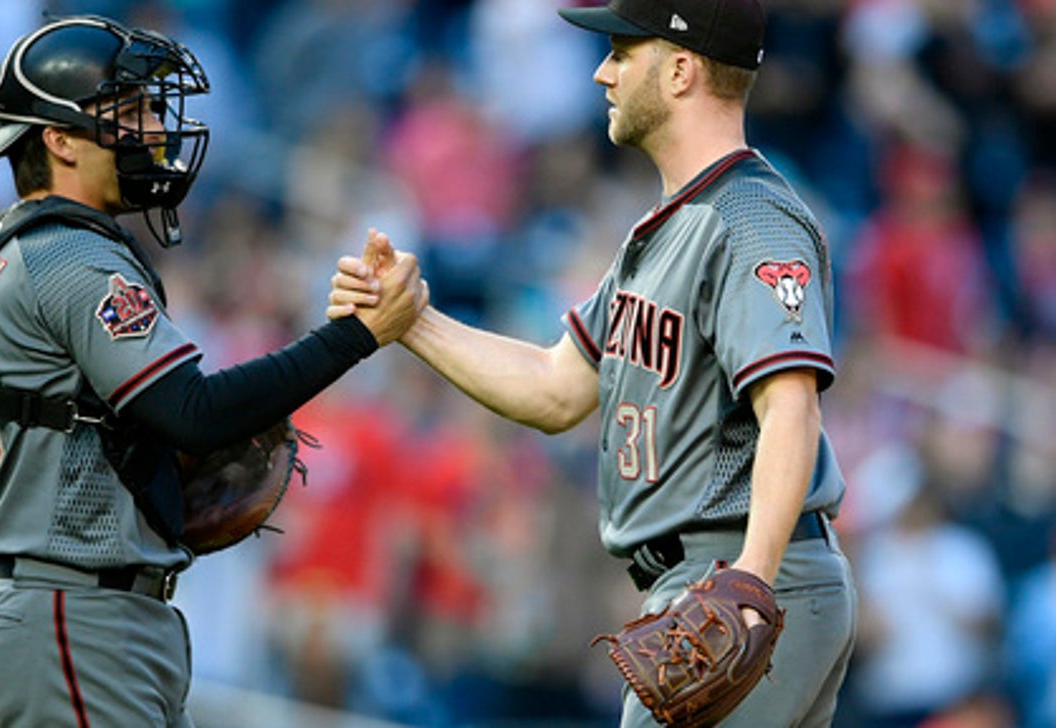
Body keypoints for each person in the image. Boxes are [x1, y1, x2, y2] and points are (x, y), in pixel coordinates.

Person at [328, 0, 858, 725]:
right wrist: (411, 321)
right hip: (719, 580)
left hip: (744, 577)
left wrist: (750, 588)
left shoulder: (750, 219)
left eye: (622, 51)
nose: (603, 72)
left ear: (679, 70)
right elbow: (557, 388)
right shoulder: (665, 228)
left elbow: (791, 406)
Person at [0, 14, 423, 728]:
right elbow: (195, 413)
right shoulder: (72, 256)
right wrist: (356, 336)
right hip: (75, 621)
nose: (152, 127)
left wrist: (79, 469)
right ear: (57, 140)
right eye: (129, 110)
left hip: (52, 615)